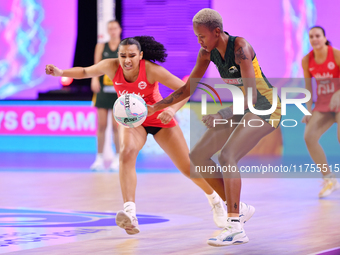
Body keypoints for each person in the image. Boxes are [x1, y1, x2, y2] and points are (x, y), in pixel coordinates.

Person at [45, 36, 255, 236]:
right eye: (123, 55)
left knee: (188, 169)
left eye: (132, 56)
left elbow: (186, 90)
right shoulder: (111, 66)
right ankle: (130, 213)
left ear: (141, 55)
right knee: (126, 153)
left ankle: (215, 200)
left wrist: (171, 111)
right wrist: (61, 71)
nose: (127, 60)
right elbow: (84, 71)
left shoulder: (152, 70)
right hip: (132, 122)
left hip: (159, 119)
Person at [147, 8, 281, 246]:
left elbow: (251, 97)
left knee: (227, 156)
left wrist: (223, 115)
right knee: (198, 156)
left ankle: (235, 226)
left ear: (217, 32)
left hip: (265, 107)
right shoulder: (206, 53)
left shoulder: (241, 48)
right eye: (197, 37)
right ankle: (239, 209)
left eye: (202, 37)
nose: (199, 42)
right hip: (242, 108)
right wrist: (156, 107)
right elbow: (188, 89)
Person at [301, 26, 340, 198]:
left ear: (324, 38)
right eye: (311, 36)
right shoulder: (307, 60)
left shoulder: (336, 54)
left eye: (317, 35)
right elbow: (308, 87)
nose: (314, 39)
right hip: (324, 105)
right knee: (309, 137)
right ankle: (329, 179)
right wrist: (307, 110)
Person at [90, 20, 122, 171]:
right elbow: (96, 66)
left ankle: (117, 159)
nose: (113, 31)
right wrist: (95, 79)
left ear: (119, 29)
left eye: (115, 28)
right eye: (110, 28)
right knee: (101, 125)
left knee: (117, 127)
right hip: (103, 89)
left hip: (118, 91)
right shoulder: (101, 46)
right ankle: (99, 158)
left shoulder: (124, 46)